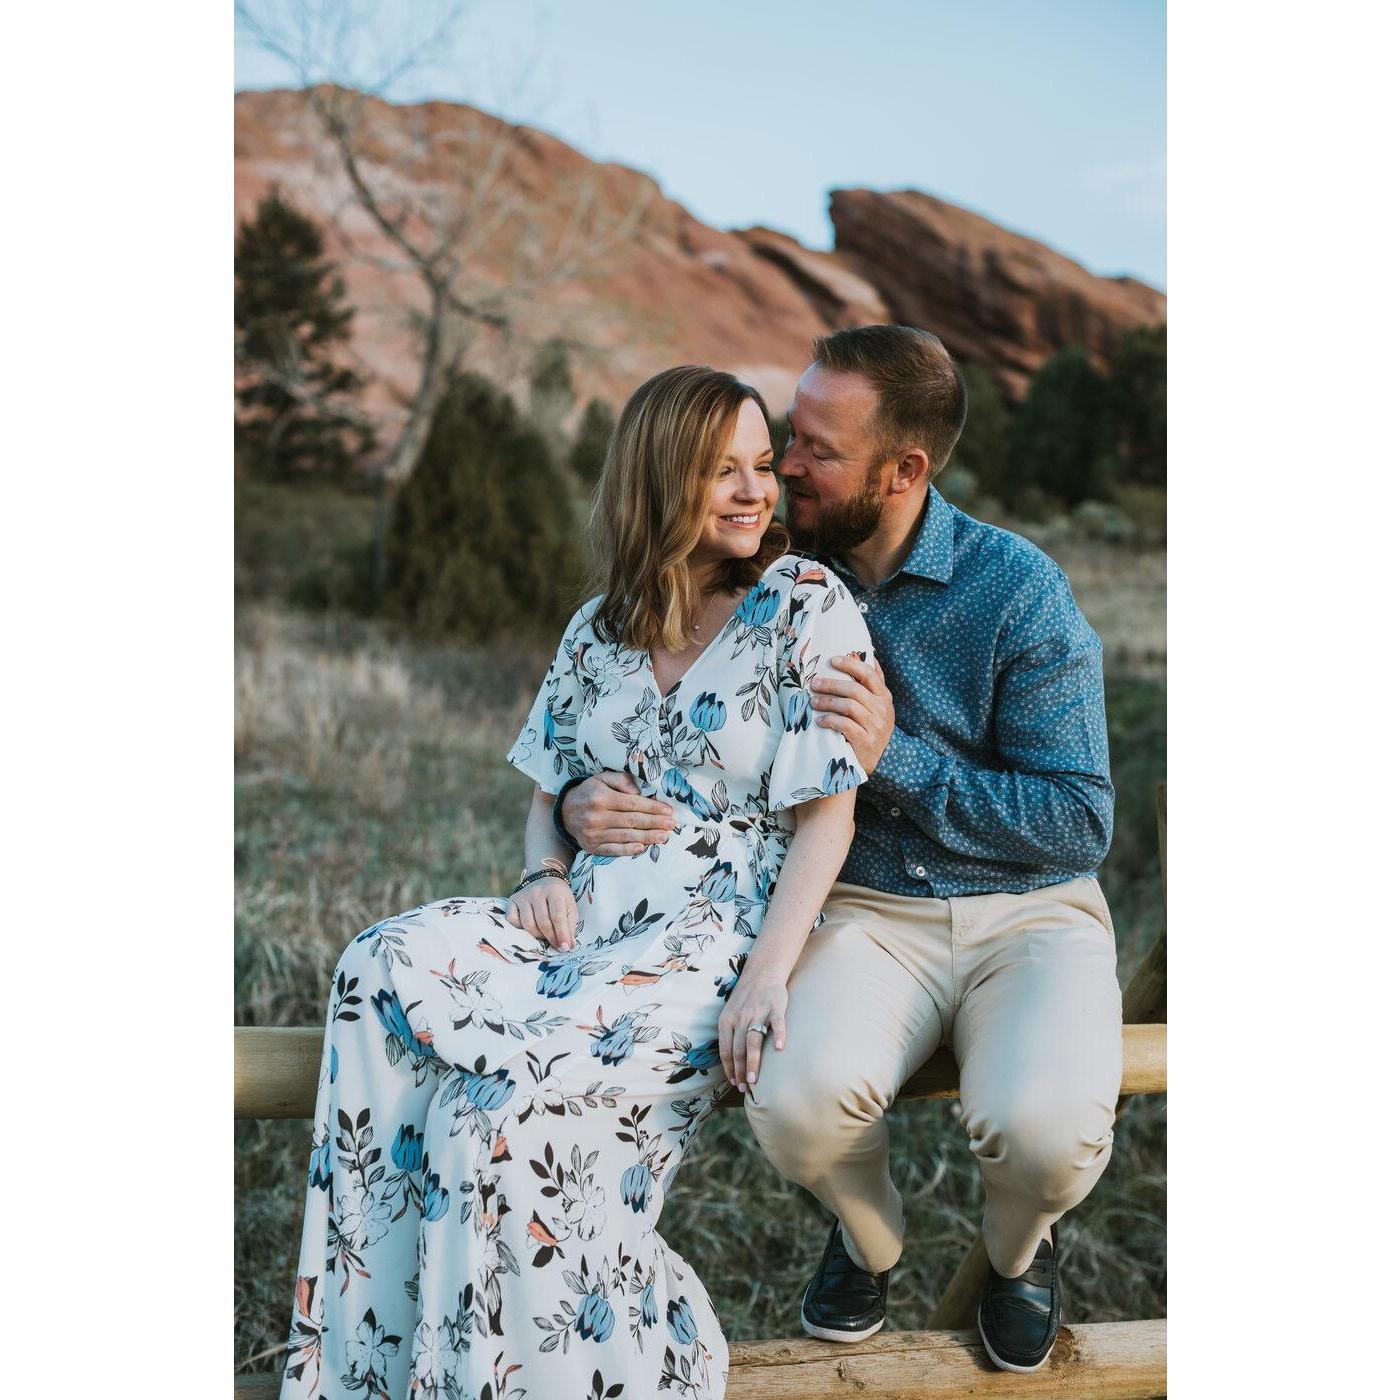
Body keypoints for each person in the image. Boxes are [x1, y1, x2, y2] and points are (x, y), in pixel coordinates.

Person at [279, 365, 875, 1400]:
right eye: (720, 471)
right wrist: (543, 863)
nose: (753, 491)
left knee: (488, 1117)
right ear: (657, 479)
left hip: (704, 941)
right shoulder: (596, 627)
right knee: (374, 966)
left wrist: (767, 975)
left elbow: (830, 811)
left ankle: (618, 1346)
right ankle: (368, 1368)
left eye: (761, 464)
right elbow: (547, 790)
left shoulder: (804, 605)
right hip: (575, 928)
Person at [556, 325, 1122, 1374]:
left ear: (904, 470)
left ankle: (1018, 1249)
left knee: (1044, 1130)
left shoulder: (1015, 589)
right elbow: (659, 704)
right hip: (859, 909)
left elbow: (1077, 821)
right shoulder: (771, 571)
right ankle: (870, 1239)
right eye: (790, 435)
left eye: (818, 448)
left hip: (1029, 911)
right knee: (795, 1103)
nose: (784, 465)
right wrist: (577, 801)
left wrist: (893, 756)